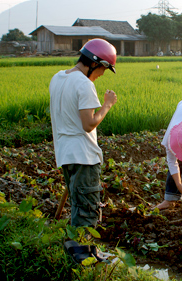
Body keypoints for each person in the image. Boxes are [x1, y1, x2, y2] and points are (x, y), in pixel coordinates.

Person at [49, 38, 117, 227]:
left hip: (65, 154)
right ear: (95, 63)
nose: (102, 74)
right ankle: (83, 252)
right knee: (87, 211)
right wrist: (107, 105)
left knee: (77, 204)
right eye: (104, 69)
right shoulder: (84, 84)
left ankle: (74, 247)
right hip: (83, 157)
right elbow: (89, 124)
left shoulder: (58, 78)